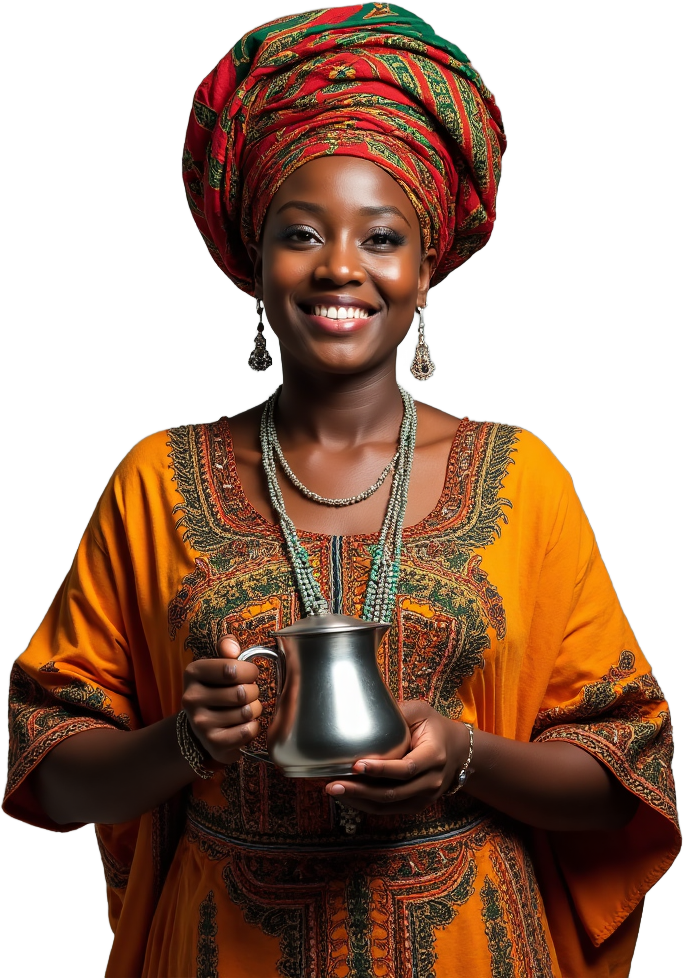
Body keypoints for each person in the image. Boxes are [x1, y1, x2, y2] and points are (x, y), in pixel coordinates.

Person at [3, 5, 680, 977]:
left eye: (381, 237)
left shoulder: (523, 479)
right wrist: (185, 742)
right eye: (302, 232)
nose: (339, 268)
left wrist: (466, 756)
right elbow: (51, 776)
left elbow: (625, 776)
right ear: (255, 259)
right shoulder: (156, 481)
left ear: (424, 267)